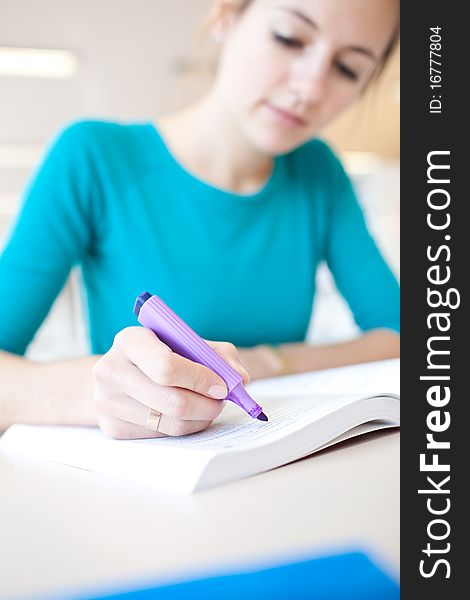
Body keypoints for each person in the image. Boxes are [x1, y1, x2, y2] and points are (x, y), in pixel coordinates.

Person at [0, 0, 400, 438]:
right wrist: (97, 391)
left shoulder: (318, 171)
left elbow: (400, 335)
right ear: (226, 15)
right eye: (289, 38)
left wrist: (262, 362)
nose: (310, 88)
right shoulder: (92, 156)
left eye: (347, 68)